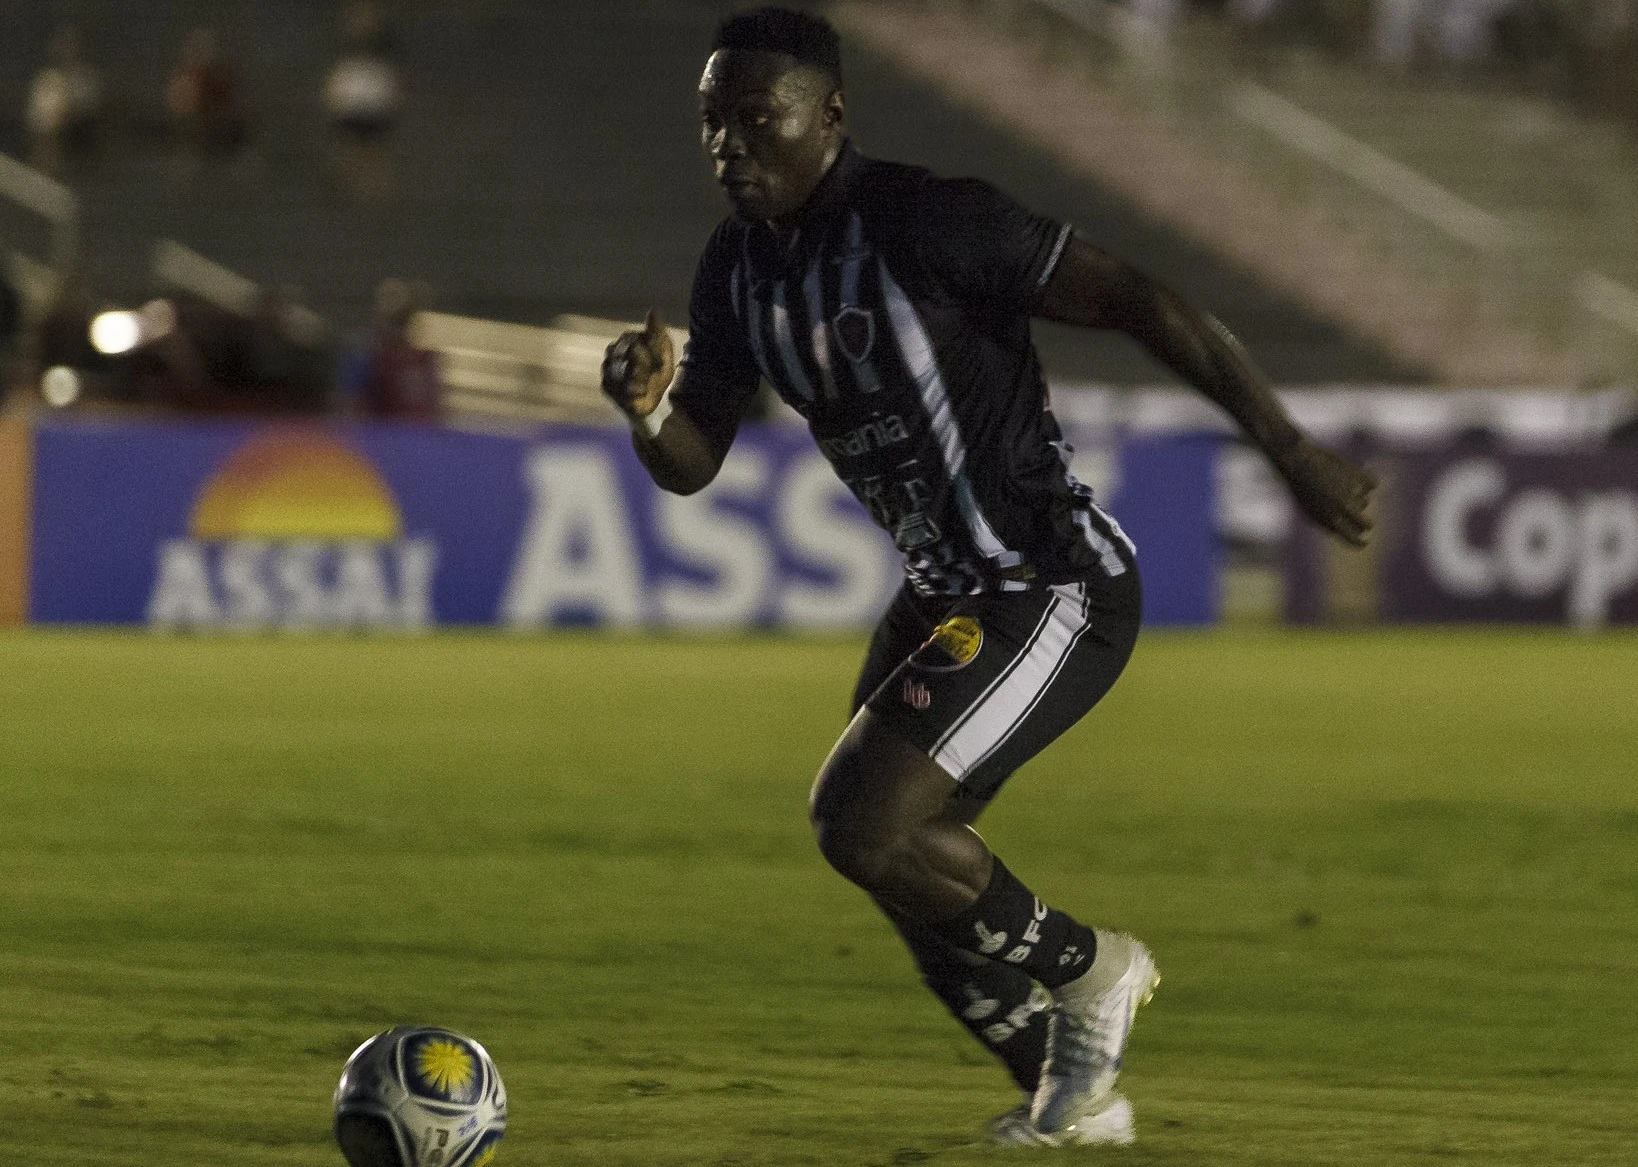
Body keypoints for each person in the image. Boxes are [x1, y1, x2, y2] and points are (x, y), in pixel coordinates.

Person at [601, 7, 1375, 1148]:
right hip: (944, 592)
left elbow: (1142, 301)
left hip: (1050, 585)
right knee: (902, 865)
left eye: (755, 120)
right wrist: (646, 410)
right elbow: (694, 461)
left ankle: (1093, 971)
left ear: (833, 117)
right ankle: (1073, 1098)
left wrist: (1288, 447)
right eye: (712, 122)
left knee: (862, 827)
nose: (727, 145)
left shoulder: (929, 220)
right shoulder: (737, 269)